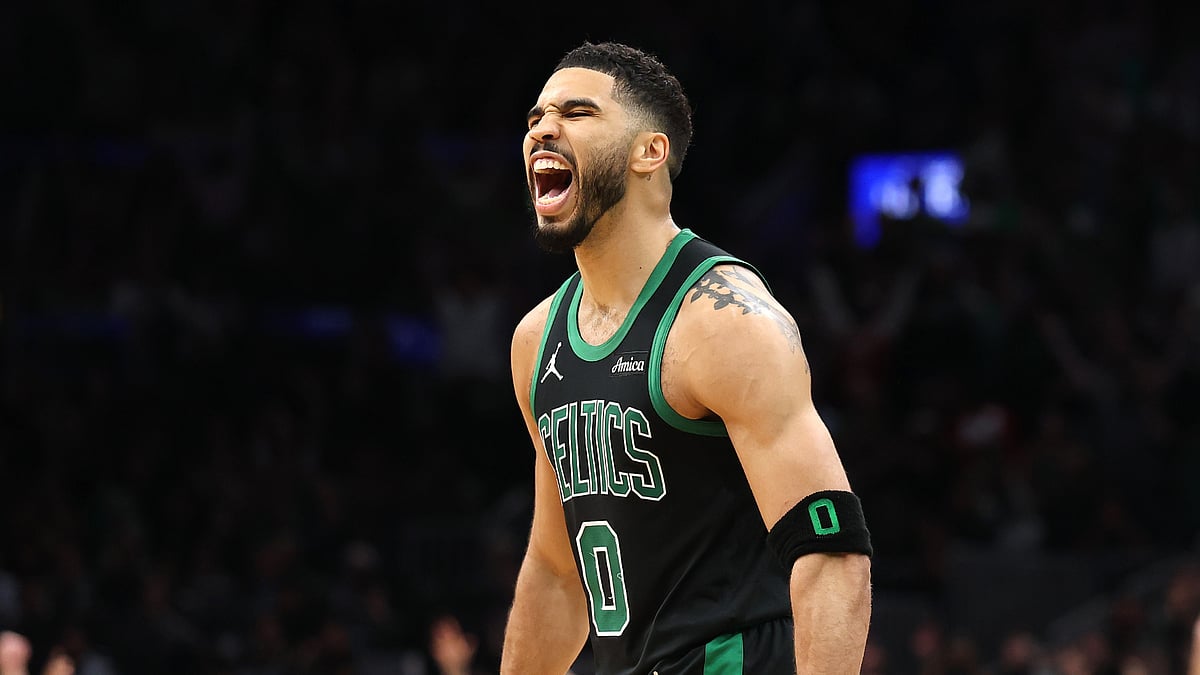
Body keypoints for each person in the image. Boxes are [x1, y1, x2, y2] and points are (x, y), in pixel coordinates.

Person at [500, 41, 873, 674]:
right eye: (536, 117)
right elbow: (557, 572)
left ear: (651, 151)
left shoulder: (723, 322)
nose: (542, 130)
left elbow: (832, 553)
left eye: (577, 112)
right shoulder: (537, 340)